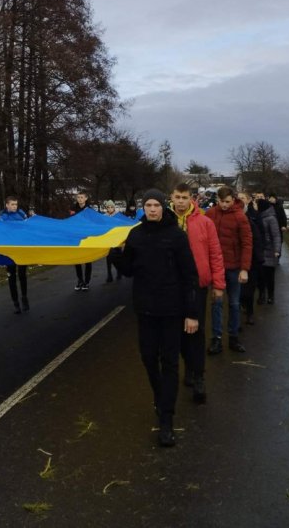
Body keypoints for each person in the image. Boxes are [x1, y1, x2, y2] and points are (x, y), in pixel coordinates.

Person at [119, 189, 199, 447]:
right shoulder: (135, 235)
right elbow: (129, 270)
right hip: (145, 309)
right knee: (148, 358)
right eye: (148, 205)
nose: (152, 209)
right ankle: (160, 395)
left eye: (156, 205)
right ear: (143, 208)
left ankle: (167, 419)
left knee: (170, 362)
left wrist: (192, 313)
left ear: (164, 207)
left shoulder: (176, 236)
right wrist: (114, 256)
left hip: (172, 310)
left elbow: (189, 276)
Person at [170, 183, 224, 405]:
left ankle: (199, 375)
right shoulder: (166, 222)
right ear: (171, 198)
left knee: (196, 331)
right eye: (177, 197)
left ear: (191, 198)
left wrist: (218, 285)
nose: (181, 201)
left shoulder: (204, 222)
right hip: (171, 287)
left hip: (197, 286)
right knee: (179, 332)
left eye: (184, 197)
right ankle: (189, 368)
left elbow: (215, 253)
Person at [205, 187, 253, 354]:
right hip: (216, 267)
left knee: (233, 303)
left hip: (233, 267)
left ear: (233, 200)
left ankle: (233, 337)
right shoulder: (210, 214)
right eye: (221, 201)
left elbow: (247, 243)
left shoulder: (240, 217)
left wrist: (244, 268)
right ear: (217, 199)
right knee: (216, 303)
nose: (224, 205)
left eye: (227, 202)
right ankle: (216, 338)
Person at [0, 195, 30, 312]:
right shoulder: (2, 216)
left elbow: (28, 226)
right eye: (12, 204)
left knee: (22, 275)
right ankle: (15, 302)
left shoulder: (21, 213)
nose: (15, 206)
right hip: (10, 251)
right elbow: (3, 231)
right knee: (12, 276)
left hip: (21, 249)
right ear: (6, 205)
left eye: (16, 204)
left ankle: (24, 298)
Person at [237, 191, 265, 324]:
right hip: (237, 260)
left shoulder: (253, 217)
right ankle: (237, 319)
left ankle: (250, 313)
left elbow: (260, 238)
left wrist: (260, 257)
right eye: (239, 198)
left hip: (252, 260)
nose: (240, 201)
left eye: (243, 198)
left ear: (248, 201)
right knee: (239, 292)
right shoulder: (234, 218)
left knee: (249, 290)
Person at [256, 197, 283, 304]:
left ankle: (271, 295)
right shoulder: (259, 217)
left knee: (269, 277)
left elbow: (276, 235)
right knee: (260, 277)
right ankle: (262, 294)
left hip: (270, 251)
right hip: (261, 251)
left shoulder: (271, 218)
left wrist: (277, 250)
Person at [70, 191, 93, 290]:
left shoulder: (89, 210)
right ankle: (80, 280)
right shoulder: (73, 208)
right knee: (77, 259)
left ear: (86, 198)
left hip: (87, 237)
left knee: (88, 260)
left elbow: (93, 223)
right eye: (78, 197)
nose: (79, 199)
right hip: (76, 237)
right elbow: (70, 221)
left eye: (81, 197)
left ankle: (86, 282)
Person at [103, 200, 122, 282]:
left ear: (114, 207)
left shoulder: (118, 216)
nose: (110, 208)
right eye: (108, 207)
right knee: (108, 258)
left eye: (111, 207)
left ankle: (119, 271)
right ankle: (109, 275)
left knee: (117, 258)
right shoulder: (104, 216)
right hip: (108, 240)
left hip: (117, 240)